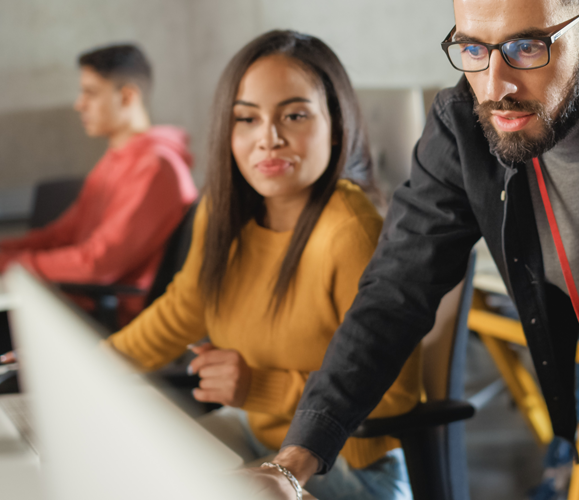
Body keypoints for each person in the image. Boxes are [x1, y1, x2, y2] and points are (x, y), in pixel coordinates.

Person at [258, 1, 579, 499]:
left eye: (526, 48)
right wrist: (291, 465)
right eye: (473, 49)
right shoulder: (462, 120)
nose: (494, 86)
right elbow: (394, 291)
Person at [104, 31, 420, 500]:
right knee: (127, 469)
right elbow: (182, 311)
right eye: (247, 118)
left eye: (294, 115)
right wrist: (86, 364)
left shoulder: (351, 231)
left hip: (350, 467)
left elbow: (396, 393)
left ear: (336, 126)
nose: (268, 139)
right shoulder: (223, 210)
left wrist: (260, 387)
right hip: (257, 436)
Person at [0, 43, 197, 325]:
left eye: (91, 93)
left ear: (127, 96)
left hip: (106, 321)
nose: (79, 104)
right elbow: (61, 236)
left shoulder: (155, 168)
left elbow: (97, 264)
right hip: (75, 303)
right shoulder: (117, 158)